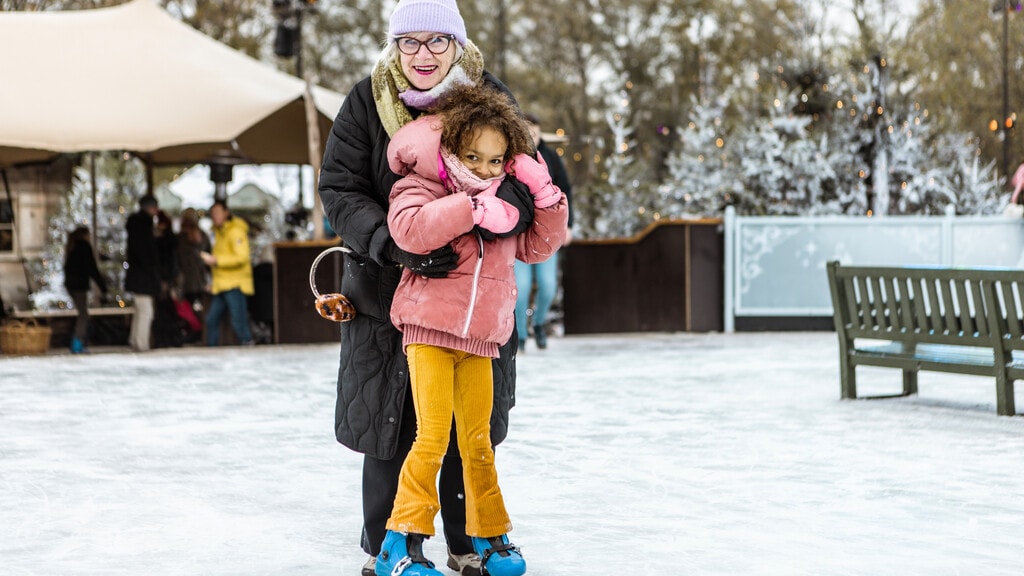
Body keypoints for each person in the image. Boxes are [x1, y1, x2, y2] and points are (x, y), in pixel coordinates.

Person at [316, 1, 540, 574]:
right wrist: (393, 244)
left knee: (470, 427)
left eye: (437, 40)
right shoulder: (366, 101)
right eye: (409, 41)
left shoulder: (489, 99)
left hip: (470, 298)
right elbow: (340, 188)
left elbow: (526, 179)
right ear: (393, 45)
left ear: (457, 45)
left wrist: (499, 213)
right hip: (385, 291)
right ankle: (390, 546)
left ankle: (468, 542)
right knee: (392, 425)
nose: (423, 54)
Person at [380, 84, 566, 576]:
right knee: (431, 438)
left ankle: (490, 536)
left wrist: (543, 192)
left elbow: (540, 246)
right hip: (429, 332)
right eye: (473, 157)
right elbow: (409, 229)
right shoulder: (423, 185)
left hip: (480, 339)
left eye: (496, 160)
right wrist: (473, 208)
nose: (485, 170)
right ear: (450, 149)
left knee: (478, 443)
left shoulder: (510, 200)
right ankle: (399, 543)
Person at [514, 114, 574, 352]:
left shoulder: (551, 158)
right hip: (519, 234)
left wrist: (568, 225)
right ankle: (520, 333)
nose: (531, 137)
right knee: (521, 288)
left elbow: (565, 191)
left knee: (548, 285)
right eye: (527, 132)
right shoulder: (511, 156)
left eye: (535, 133)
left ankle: (538, 324)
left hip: (547, 232)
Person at [200, 201, 254, 346]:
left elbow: (242, 258)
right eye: (213, 213)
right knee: (211, 320)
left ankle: (248, 345)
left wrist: (216, 260)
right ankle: (211, 351)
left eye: (218, 212)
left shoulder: (235, 231)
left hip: (235, 284)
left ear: (226, 213)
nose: (215, 216)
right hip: (221, 284)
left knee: (238, 322)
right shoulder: (217, 232)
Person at [124, 194, 161, 352]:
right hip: (143, 276)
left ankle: (136, 340)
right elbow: (145, 254)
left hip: (138, 275)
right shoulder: (143, 226)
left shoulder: (137, 225)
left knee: (141, 309)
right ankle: (141, 343)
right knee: (146, 311)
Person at [63, 226, 107, 354]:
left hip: (72, 285)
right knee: (83, 315)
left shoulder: (72, 247)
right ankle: (77, 343)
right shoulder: (84, 247)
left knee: (83, 314)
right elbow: (91, 268)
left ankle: (77, 342)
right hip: (79, 285)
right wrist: (102, 286)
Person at [176, 207, 211, 342]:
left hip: (195, 282)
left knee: (195, 311)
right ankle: (195, 334)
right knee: (189, 311)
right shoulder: (180, 238)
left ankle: (197, 335)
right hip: (189, 282)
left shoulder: (199, 236)